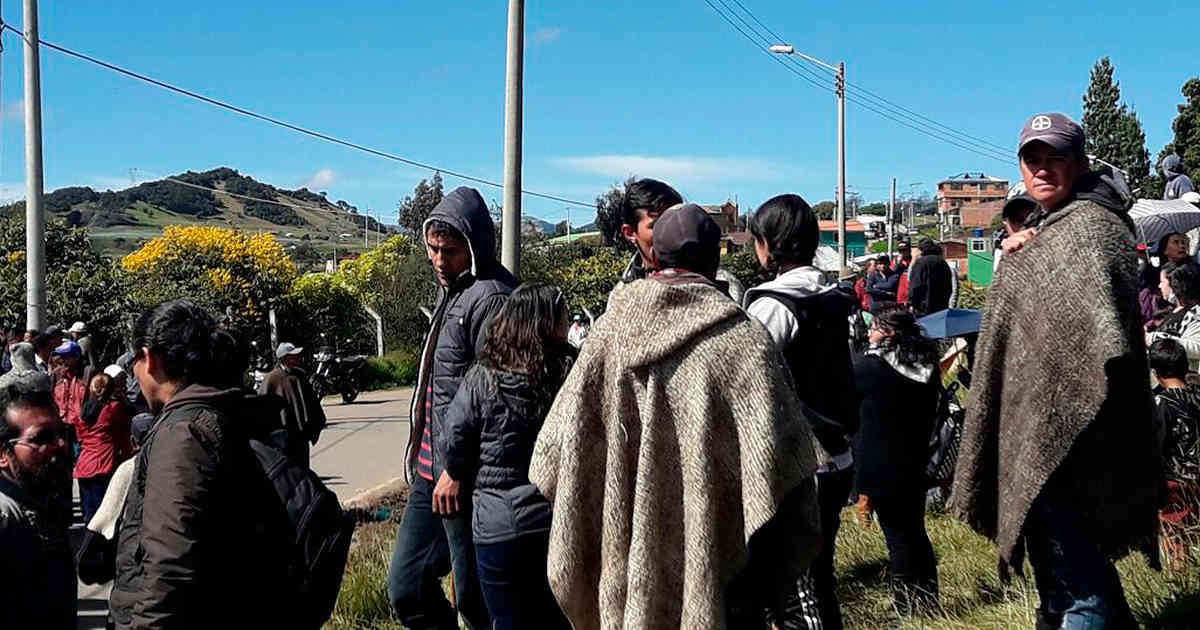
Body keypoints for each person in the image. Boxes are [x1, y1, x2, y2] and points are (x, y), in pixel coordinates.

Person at [528, 204, 822, 629]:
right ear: (714, 258)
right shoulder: (744, 340)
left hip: (624, 562)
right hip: (726, 576)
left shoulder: (608, 333)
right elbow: (783, 468)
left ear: (655, 256)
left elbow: (556, 452)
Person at [950, 112, 1157, 629]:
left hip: (1076, 443)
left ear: (1080, 162)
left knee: (1077, 592)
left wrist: (1031, 257)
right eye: (1032, 159)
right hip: (1056, 437)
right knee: (1076, 579)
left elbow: (1091, 343)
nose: (1042, 169)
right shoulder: (1056, 227)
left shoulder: (1088, 229)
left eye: (1056, 157)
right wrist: (1028, 249)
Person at [109, 299, 292, 629]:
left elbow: (169, 563)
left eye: (134, 361)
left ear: (149, 359)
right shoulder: (217, 412)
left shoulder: (182, 433)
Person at [389, 186, 516, 630]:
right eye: (433, 249)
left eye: (450, 250)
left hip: (466, 478)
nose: (439, 260)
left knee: (477, 602)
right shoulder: (454, 294)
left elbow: (498, 402)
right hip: (431, 472)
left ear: (475, 247)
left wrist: (459, 470)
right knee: (407, 587)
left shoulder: (493, 299)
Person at [744, 193, 857, 630]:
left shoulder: (774, 307)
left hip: (801, 464)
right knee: (818, 577)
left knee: (798, 589)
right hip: (838, 456)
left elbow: (746, 379)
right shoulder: (830, 296)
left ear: (770, 244)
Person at [440, 283, 575, 630]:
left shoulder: (481, 378)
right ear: (548, 324)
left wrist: (456, 471)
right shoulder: (568, 373)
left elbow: (454, 438)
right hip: (558, 522)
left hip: (499, 527)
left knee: (507, 619)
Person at [854, 304, 941, 614]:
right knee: (916, 532)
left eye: (874, 328)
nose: (869, 333)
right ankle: (929, 600)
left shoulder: (870, 369)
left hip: (880, 465)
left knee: (897, 539)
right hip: (916, 460)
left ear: (888, 333)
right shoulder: (927, 366)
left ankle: (905, 605)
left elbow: (845, 401)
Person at [0, 371, 76, 628]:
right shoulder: (5, 519)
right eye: (41, 438)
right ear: (3, 454)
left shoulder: (43, 502)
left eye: (61, 433)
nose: (60, 445)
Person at [612, 178, 745, 301]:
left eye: (677, 221)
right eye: (657, 224)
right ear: (630, 233)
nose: (669, 230)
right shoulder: (621, 297)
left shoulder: (727, 286)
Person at [77, 412, 155, 588]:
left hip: (133, 565)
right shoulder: (173, 464)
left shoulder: (130, 468)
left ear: (134, 442)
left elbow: (106, 517)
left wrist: (87, 557)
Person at [1148, 339, 1200, 568]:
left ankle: (1181, 584)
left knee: (1175, 541)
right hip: (1197, 478)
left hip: (1175, 485)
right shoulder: (1197, 396)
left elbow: (1156, 447)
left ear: (1155, 372)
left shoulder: (1161, 404)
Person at [74, 367, 134, 524]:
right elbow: (124, 433)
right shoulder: (114, 409)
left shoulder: (84, 411)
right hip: (105, 462)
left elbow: (80, 436)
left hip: (84, 464)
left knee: (89, 512)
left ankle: (90, 542)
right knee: (105, 512)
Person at [259, 342, 326, 466]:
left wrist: (314, 423)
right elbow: (263, 407)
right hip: (281, 435)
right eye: (292, 356)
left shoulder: (300, 375)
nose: (296, 358)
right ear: (283, 358)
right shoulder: (272, 378)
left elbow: (311, 403)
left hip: (301, 434)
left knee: (303, 466)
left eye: (297, 355)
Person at [1147, 262, 1200, 370]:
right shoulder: (1174, 311)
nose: (1159, 285)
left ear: (1175, 285)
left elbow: (1196, 347)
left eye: (1162, 281)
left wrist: (1151, 338)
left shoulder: (1195, 313)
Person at [907, 238, 954, 316]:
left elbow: (916, 285)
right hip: (941, 306)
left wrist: (912, 303)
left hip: (923, 308)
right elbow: (949, 286)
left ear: (920, 249)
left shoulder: (921, 262)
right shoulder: (942, 262)